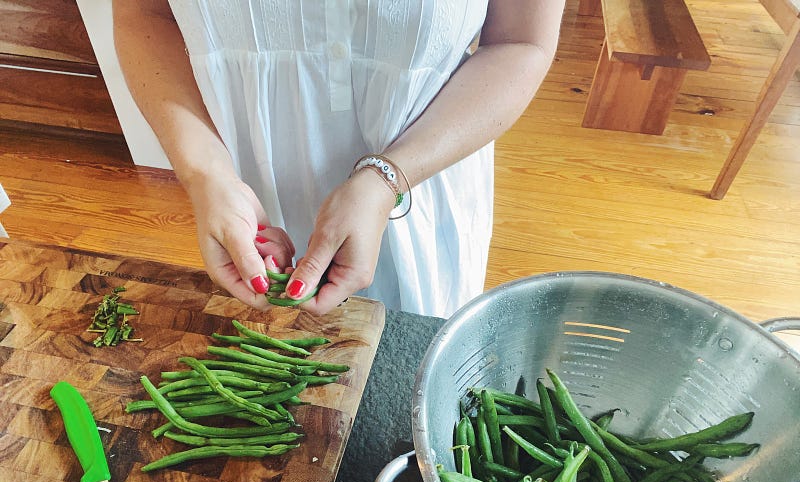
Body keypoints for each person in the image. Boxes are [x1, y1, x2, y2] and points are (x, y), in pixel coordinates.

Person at [113, 1, 564, 318]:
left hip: (422, 185)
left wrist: (385, 181)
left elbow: (521, 42)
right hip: (250, 208)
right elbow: (142, 16)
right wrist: (206, 174)